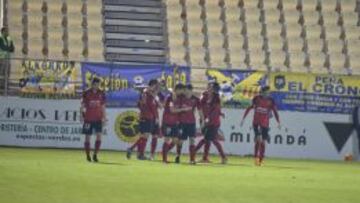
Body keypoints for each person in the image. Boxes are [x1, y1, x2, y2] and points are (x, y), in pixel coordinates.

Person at [241, 86, 281, 166]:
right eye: (265, 91)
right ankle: (256, 158)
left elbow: (275, 111)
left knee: (263, 141)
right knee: (258, 140)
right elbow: (249, 108)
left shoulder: (271, 101)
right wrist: (243, 118)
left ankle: (261, 159)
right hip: (256, 123)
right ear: (262, 92)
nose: (267, 93)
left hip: (265, 124)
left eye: (268, 92)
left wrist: (278, 122)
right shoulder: (256, 99)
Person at [127, 79, 160, 160]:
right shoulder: (145, 94)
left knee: (144, 137)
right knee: (145, 136)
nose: (156, 88)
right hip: (146, 117)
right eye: (156, 86)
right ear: (152, 85)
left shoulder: (150, 95)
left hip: (148, 117)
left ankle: (140, 154)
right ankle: (131, 149)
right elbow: (143, 105)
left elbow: (153, 106)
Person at [80, 78, 106, 162]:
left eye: (98, 84)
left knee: (99, 136)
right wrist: (81, 115)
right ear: (92, 84)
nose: (97, 86)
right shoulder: (87, 93)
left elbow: (103, 106)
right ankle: (88, 155)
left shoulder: (101, 93)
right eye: (95, 84)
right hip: (88, 118)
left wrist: (104, 117)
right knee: (87, 137)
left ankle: (95, 154)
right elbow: (82, 105)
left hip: (98, 118)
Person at [200, 82, 227, 164]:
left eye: (212, 88)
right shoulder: (204, 96)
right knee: (209, 140)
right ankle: (205, 158)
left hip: (213, 122)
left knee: (211, 139)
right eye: (210, 87)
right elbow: (200, 107)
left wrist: (219, 113)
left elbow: (215, 109)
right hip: (205, 121)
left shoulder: (216, 97)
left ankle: (223, 157)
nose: (211, 89)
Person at [176, 84, 202, 164]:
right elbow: (176, 108)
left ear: (191, 90)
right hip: (182, 122)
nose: (185, 91)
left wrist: (202, 120)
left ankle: (192, 159)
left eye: (186, 90)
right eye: (184, 90)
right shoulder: (180, 98)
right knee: (180, 141)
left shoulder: (196, 99)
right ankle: (178, 156)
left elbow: (200, 111)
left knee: (192, 140)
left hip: (191, 123)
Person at [161, 84, 187, 163]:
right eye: (182, 90)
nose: (183, 92)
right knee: (167, 139)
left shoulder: (178, 98)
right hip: (167, 121)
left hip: (174, 122)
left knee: (175, 140)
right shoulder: (169, 98)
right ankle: (164, 159)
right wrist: (183, 109)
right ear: (178, 89)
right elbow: (172, 110)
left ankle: (164, 152)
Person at [0, 27, 15, 93]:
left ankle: (6, 86)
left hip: (8, 58)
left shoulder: (9, 39)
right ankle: (1, 86)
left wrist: (8, 48)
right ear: (3, 32)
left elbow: (12, 48)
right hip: (1, 58)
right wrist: (8, 48)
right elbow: (3, 47)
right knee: (1, 72)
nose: (8, 32)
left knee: (7, 73)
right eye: (6, 31)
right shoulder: (0, 39)